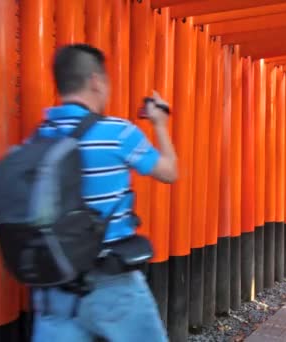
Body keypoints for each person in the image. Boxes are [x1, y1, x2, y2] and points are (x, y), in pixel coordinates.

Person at [30, 44, 177, 342]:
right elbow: (169, 173)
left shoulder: (41, 134)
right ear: (96, 80)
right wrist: (160, 123)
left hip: (54, 285)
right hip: (111, 283)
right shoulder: (117, 132)